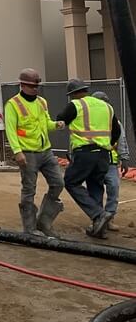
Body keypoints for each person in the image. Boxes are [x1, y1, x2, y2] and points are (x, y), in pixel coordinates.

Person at [4, 68, 65, 235]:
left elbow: (46, 123)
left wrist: (56, 125)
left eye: (37, 86)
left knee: (58, 183)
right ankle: (29, 228)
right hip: (27, 153)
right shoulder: (13, 105)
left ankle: (43, 222)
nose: (35, 89)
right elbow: (10, 130)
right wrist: (17, 151)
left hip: (45, 151)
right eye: (32, 86)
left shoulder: (42, 102)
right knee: (29, 189)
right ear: (22, 85)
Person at [58, 80, 118, 237]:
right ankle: (99, 227)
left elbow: (60, 119)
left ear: (72, 94)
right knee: (95, 186)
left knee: (71, 182)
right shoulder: (107, 107)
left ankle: (98, 214)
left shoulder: (76, 105)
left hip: (85, 153)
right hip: (104, 154)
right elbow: (116, 131)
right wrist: (107, 144)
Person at [91, 91, 130, 232]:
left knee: (113, 188)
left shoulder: (115, 122)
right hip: (94, 162)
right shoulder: (89, 122)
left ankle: (109, 218)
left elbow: (121, 140)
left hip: (110, 163)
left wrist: (124, 158)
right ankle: (97, 219)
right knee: (96, 191)